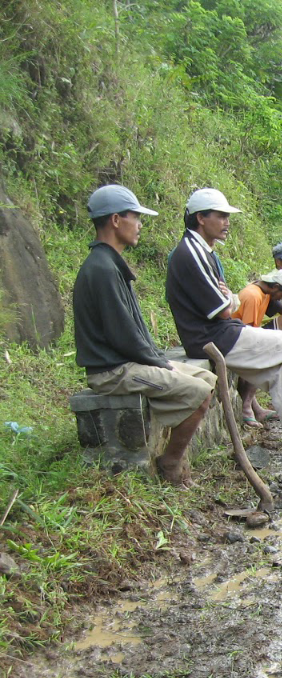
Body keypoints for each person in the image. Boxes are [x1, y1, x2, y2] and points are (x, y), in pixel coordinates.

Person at [166, 187, 282, 460]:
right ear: (200, 218)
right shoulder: (190, 253)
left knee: (281, 373)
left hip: (219, 332)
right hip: (210, 337)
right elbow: (223, 311)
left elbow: (227, 301)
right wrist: (228, 299)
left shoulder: (206, 252)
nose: (227, 222)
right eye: (220, 215)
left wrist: (227, 298)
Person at [72, 185, 216, 487]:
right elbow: (122, 334)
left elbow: (129, 330)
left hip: (128, 362)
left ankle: (173, 453)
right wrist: (160, 364)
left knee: (208, 380)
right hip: (113, 370)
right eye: (135, 218)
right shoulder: (101, 269)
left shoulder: (108, 263)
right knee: (198, 392)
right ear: (115, 220)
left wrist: (159, 360)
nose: (139, 225)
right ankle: (171, 464)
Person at [232, 268, 282, 426]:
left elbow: (279, 310)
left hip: (247, 334)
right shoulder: (253, 295)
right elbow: (249, 333)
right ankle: (247, 407)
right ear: (275, 287)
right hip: (238, 339)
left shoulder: (265, 292)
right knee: (265, 355)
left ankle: (255, 408)